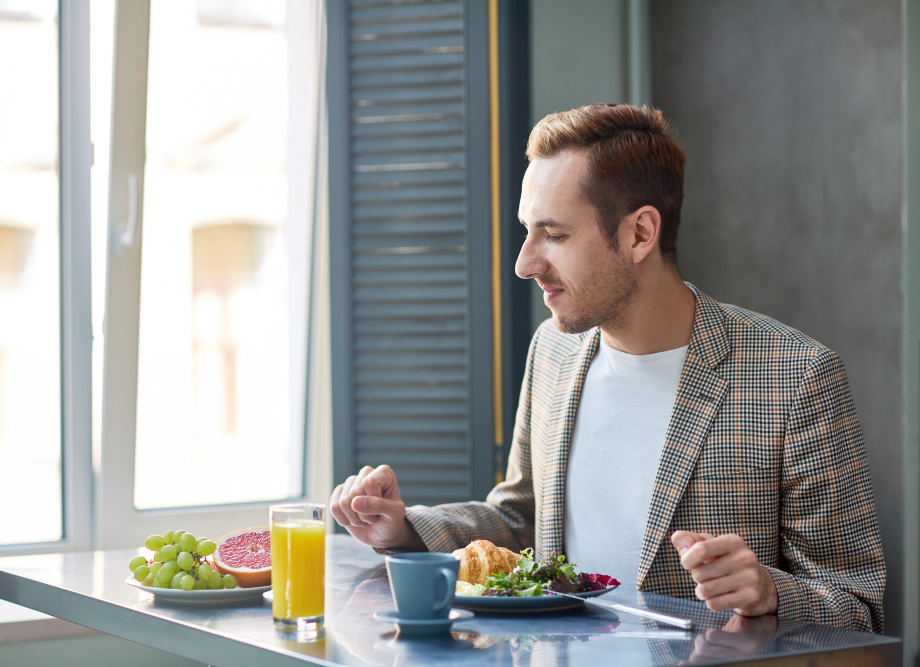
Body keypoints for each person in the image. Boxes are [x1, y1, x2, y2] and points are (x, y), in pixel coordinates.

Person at [330, 104, 886, 633]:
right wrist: (403, 529)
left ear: (640, 233)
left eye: (555, 234)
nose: (525, 263)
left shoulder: (797, 377)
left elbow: (858, 605)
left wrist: (768, 592)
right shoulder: (552, 350)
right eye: (528, 232)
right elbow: (524, 520)